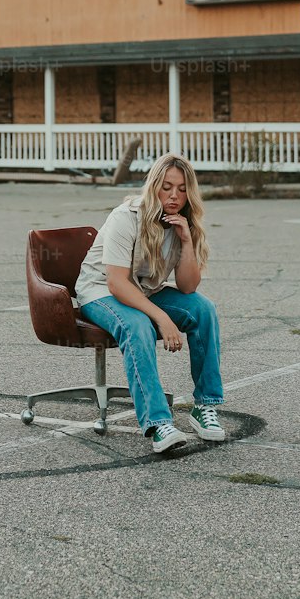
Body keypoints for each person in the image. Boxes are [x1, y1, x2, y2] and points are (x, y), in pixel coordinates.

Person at [75, 152, 225, 454]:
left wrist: (185, 240)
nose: (174, 195)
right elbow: (116, 283)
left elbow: (187, 286)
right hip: (100, 290)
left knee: (203, 309)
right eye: (167, 187)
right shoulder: (127, 216)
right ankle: (158, 423)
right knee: (137, 323)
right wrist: (162, 318)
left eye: (182, 189)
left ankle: (205, 406)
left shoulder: (183, 222)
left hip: (143, 290)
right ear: (154, 184)